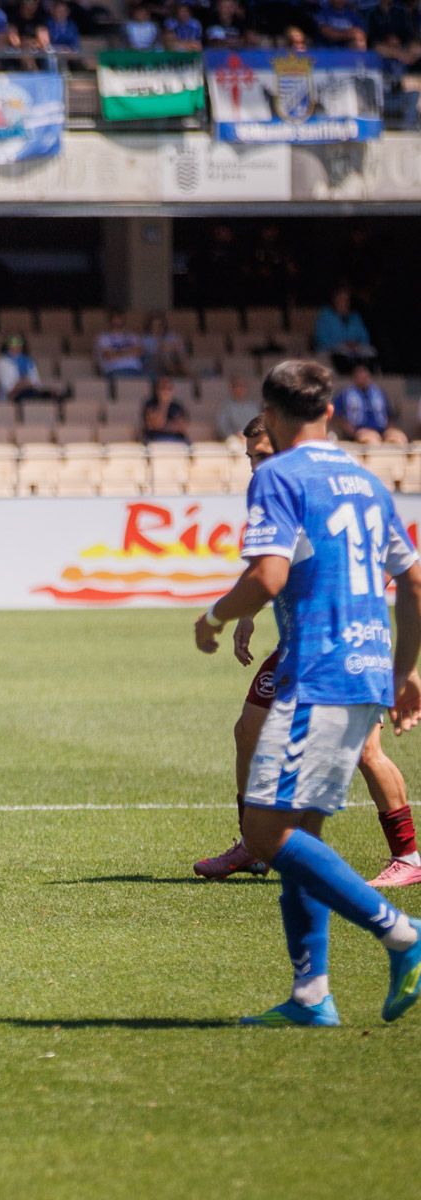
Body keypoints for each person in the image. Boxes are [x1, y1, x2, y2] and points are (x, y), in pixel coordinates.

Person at [193, 359, 421, 1028]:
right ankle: (311, 995)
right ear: (329, 410)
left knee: (267, 833)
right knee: (304, 838)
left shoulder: (277, 475)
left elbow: (266, 576)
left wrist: (214, 618)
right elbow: (412, 584)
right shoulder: (368, 482)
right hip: (366, 665)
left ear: (272, 412)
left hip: (315, 670)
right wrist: (407, 671)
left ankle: (400, 933)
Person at [196, 415, 421, 888]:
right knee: (248, 731)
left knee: (363, 750)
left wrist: (387, 650)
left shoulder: (320, 494)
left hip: (341, 643)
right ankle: (254, 847)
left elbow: (384, 570)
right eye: (250, 458)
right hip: (300, 644)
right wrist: (249, 616)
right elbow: (272, 570)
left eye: (262, 456)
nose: (256, 467)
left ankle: (409, 856)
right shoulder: (277, 496)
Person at [337, 364, 405, 445]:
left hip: (381, 429)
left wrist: (389, 427)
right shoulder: (345, 394)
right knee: (371, 440)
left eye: (365, 377)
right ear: (354, 378)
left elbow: (389, 414)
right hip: (360, 430)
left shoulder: (379, 393)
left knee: (398, 438)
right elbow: (337, 415)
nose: (363, 380)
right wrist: (349, 428)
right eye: (360, 377)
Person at [314, 286, 377, 372]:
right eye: (340, 299)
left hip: (354, 349)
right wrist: (343, 344)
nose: (343, 302)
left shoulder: (355, 317)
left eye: (346, 300)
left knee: (371, 351)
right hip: (332, 349)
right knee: (339, 355)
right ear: (335, 301)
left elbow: (365, 336)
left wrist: (356, 344)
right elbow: (321, 338)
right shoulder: (325, 316)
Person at [95, 311, 146, 379]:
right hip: (115, 370)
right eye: (115, 318)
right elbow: (109, 356)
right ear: (110, 320)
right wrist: (130, 351)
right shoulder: (103, 337)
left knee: (154, 377)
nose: (118, 320)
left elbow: (138, 352)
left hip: (136, 370)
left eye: (120, 318)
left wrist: (117, 352)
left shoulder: (133, 336)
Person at [141, 375, 190, 445]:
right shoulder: (150, 404)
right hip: (156, 439)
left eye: (169, 388)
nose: (166, 391)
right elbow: (157, 425)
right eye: (163, 388)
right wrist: (164, 404)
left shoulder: (177, 406)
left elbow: (182, 427)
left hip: (177, 440)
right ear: (157, 390)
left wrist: (165, 426)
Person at [214, 376, 260, 442]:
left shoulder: (254, 406)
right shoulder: (225, 407)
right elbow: (222, 426)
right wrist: (236, 434)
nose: (240, 389)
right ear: (232, 389)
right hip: (234, 438)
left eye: (242, 386)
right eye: (237, 386)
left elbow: (258, 424)